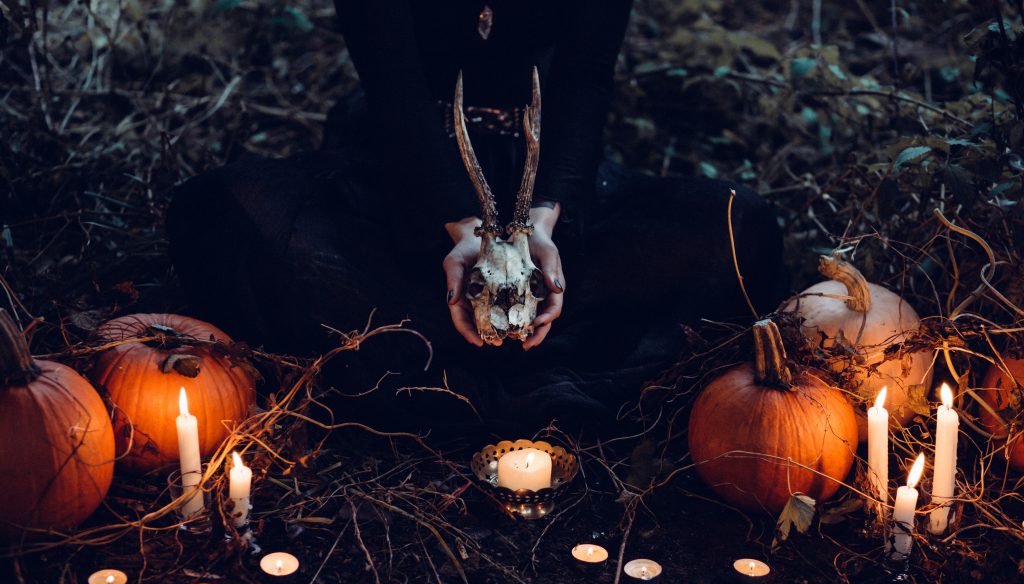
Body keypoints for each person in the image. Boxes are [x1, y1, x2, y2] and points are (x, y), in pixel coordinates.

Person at [166, 1, 786, 432]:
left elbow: (587, 78)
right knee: (221, 212)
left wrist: (545, 218)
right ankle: (492, 347)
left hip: (549, 175)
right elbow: (392, 84)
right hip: (403, 170)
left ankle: (439, 342)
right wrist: (459, 223)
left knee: (739, 229)